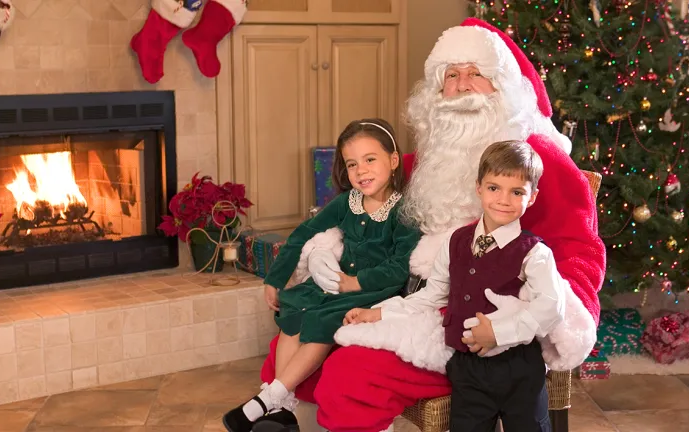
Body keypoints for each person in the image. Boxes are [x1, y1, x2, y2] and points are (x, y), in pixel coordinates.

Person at [260, 17, 606, 432]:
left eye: (476, 74)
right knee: (296, 334)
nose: (461, 86)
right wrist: (321, 252)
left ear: (504, 86)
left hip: (478, 329)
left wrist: (533, 321)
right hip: (407, 298)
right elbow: (356, 208)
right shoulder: (426, 160)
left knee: (350, 375)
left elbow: (580, 250)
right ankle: (280, 416)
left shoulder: (536, 161)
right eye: (451, 76)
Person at [346, 140, 566, 431]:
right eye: (493, 188)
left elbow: (552, 307)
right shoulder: (456, 241)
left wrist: (498, 333)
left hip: (519, 370)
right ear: (478, 188)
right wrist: (380, 313)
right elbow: (432, 295)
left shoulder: (534, 253)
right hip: (468, 370)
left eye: (516, 192)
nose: (503, 199)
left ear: (532, 197)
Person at [222, 118, 421, 432]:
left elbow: (399, 266)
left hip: (374, 290)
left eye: (370, 160)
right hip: (338, 282)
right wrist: (276, 278)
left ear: (393, 161)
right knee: (296, 305)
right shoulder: (346, 203)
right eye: (352, 164)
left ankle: (269, 397)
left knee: (323, 319)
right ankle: (283, 404)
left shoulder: (404, 211)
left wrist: (354, 282)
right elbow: (302, 234)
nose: (361, 171)